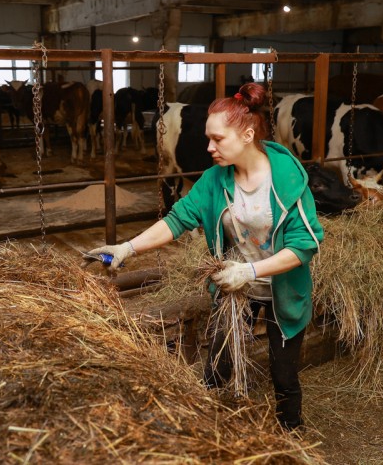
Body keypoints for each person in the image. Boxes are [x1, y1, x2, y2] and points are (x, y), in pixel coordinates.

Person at [84, 83, 324, 431]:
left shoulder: (286, 178)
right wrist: (127, 247)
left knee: (283, 371)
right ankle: (201, 424)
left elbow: (304, 245)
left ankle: (291, 428)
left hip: (282, 289)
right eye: (208, 138)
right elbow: (177, 219)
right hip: (235, 288)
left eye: (218, 139)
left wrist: (250, 270)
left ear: (247, 133)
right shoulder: (215, 179)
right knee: (218, 361)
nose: (209, 148)